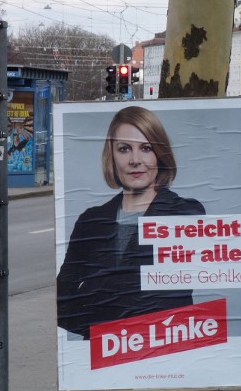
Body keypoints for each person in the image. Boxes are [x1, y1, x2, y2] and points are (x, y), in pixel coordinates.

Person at [56, 106, 204, 340]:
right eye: (124, 149)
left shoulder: (185, 213)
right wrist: (108, 331)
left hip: (165, 350)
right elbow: (62, 301)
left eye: (146, 148)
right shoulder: (91, 221)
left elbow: (169, 297)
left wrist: (104, 305)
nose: (136, 160)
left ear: (159, 153)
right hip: (104, 353)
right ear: (111, 156)